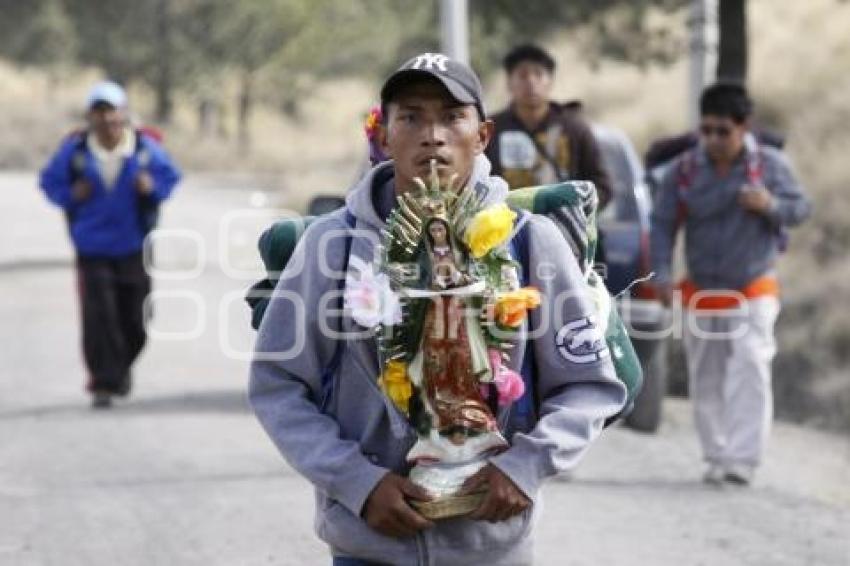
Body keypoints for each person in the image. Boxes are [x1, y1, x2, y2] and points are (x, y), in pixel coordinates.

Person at [250, 53, 626, 565]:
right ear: (384, 136)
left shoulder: (530, 243)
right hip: (369, 544)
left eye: (452, 116)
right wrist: (358, 483)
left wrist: (525, 467)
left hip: (493, 547)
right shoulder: (331, 247)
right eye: (411, 117)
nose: (433, 135)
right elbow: (279, 385)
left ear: (483, 135)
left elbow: (588, 385)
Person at [650, 83, 810, 486]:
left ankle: (743, 459)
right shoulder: (683, 170)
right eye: (706, 130)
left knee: (751, 366)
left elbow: (800, 208)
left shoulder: (771, 166)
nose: (714, 140)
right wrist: (663, 276)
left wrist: (769, 205)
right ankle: (717, 453)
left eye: (723, 130)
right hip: (702, 290)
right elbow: (663, 225)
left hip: (754, 287)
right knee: (707, 375)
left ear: (744, 128)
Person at [39, 81, 181, 408]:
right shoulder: (76, 152)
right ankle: (104, 383)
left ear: (123, 113)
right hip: (92, 249)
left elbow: (170, 177)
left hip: (133, 246)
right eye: (99, 111)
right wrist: (71, 196)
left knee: (136, 321)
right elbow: (49, 182)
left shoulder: (143, 149)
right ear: (90, 116)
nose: (106, 118)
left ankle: (118, 369)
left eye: (112, 110)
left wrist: (151, 188)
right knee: (100, 319)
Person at [484, 44, 612, 208]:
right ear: (509, 83)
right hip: (506, 228)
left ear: (550, 81)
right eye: (522, 75)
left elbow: (603, 187)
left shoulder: (575, 128)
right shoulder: (491, 129)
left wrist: (577, 209)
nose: (531, 82)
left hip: (565, 229)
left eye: (539, 74)